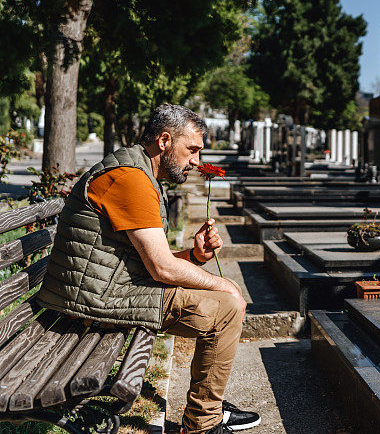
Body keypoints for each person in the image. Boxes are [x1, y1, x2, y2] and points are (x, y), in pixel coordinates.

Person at [38, 104, 260, 434]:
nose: (197, 162)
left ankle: (206, 411)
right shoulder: (130, 179)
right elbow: (160, 268)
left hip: (98, 288)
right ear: (165, 140)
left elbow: (151, 260)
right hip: (95, 299)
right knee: (227, 307)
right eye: (193, 150)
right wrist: (223, 284)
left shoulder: (136, 171)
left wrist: (195, 255)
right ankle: (204, 423)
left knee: (219, 298)